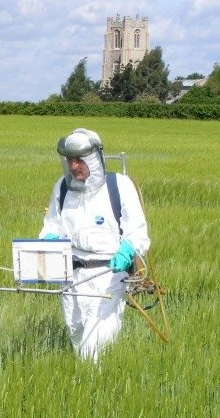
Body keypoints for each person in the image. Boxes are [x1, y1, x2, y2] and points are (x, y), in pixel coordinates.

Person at [39, 128, 150, 362]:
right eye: (70, 160)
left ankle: (94, 388)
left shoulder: (119, 186)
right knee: (77, 335)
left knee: (95, 346)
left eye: (80, 160)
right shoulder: (62, 188)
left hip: (108, 274)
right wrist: (48, 239)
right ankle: (86, 390)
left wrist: (127, 250)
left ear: (94, 159)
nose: (73, 166)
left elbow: (137, 231)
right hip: (71, 275)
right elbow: (53, 225)